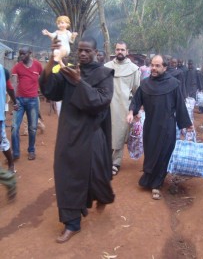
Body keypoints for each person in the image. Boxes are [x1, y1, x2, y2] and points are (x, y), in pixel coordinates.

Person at [39, 36, 115, 243]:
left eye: (87, 51)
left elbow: (101, 101)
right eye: (80, 50)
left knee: (96, 174)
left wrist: (79, 82)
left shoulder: (104, 73)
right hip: (69, 132)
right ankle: (72, 223)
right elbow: (51, 91)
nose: (82, 54)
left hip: (92, 133)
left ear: (96, 52)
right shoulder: (68, 69)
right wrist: (53, 60)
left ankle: (100, 197)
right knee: (66, 173)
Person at [127, 55, 193, 200]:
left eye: (157, 66)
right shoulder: (145, 84)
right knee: (151, 153)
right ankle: (149, 178)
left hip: (168, 126)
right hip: (150, 125)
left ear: (164, 67)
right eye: (152, 65)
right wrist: (132, 112)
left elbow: (180, 105)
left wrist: (187, 124)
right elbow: (136, 100)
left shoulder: (174, 84)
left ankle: (156, 184)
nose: (154, 68)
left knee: (163, 154)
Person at [104, 41, 140, 175]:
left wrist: (136, 110)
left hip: (124, 108)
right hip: (107, 106)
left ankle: (116, 162)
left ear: (127, 51)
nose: (120, 52)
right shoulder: (106, 67)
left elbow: (137, 91)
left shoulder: (134, 69)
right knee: (106, 133)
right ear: (115, 50)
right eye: (118, 49)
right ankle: (105, 160)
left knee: (119, 135)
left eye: (122, 50)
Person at [11, 47, 43, 160]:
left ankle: (31, 150)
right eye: (20, 54)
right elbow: (14, 84)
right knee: (15, 127)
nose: (21, 56)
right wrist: (14, 101)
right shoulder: (17, 66)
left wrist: (42, 90)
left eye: (23, 54)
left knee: (32, 128)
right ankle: (15, 153)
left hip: (33, 100)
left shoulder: (38, 65)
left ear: (30, 53)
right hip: (19, 100)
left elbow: (42, 78)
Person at [0, 64, 17, 173]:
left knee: (2, 140)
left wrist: (15, 102)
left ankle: (11, 164)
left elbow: (9, 87)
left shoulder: (3, 71)